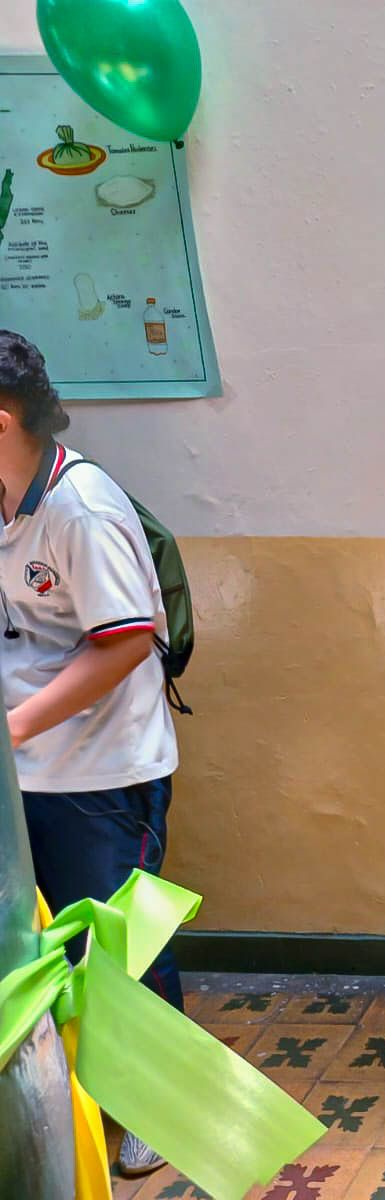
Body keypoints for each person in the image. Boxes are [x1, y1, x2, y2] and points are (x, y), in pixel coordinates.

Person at [0, 330, 179, 1176]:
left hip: (106, 771)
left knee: (119, 940)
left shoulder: (83, 507)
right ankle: (85, 1087)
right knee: (53, 944)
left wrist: (19, 726)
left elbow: (125, 643)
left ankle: (155, 1106)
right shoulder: (7, 497)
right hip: (32, 768)